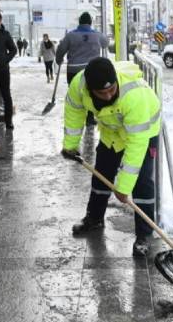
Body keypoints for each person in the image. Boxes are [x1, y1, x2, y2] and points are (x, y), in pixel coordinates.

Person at [61, 58, 161, 256]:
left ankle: (145, 234)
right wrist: (70, 145)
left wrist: (123, 188)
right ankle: (94, 218)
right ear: (90, 90)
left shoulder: (133, 96)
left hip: (144, 131)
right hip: (112, 130)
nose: (108, 96)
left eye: (111, 90)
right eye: (101, 93)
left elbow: (136, 145)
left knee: (142, 182)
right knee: (101, 174)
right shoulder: (79, 86)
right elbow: (74, 112)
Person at [56, 12, 108, 126]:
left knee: (75, 94)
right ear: (90, 23)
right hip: (92, 70)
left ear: (79, 22)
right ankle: (89, 118)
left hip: (73, 70)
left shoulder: (70, 35)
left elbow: (61, 49)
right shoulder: (97, 35)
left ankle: (76, 119)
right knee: (91, 93)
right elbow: (106, 43)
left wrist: (58, 59)